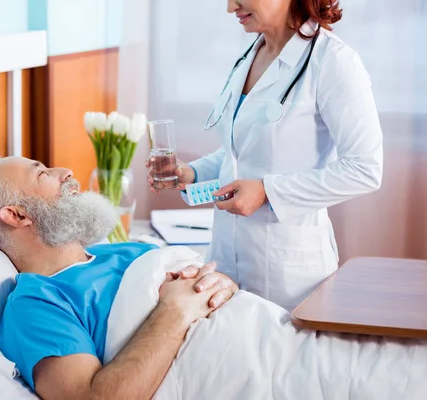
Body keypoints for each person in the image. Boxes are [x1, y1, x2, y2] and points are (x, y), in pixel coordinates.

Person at [147, 0, 383, 311]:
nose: (230, 7)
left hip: (289, 276)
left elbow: (364, 170)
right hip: (223, 260)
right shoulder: (252, 54)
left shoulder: (333, 62)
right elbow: (242, 153)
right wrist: (192, 172)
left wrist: (267, 192)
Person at [0, 155, 239, 399]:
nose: (66, 171)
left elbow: (216, 298)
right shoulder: (35, 303)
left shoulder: (131, 250)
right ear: (17, 215)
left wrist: (223, 287)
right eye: (43, 173)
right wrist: (175, 310)